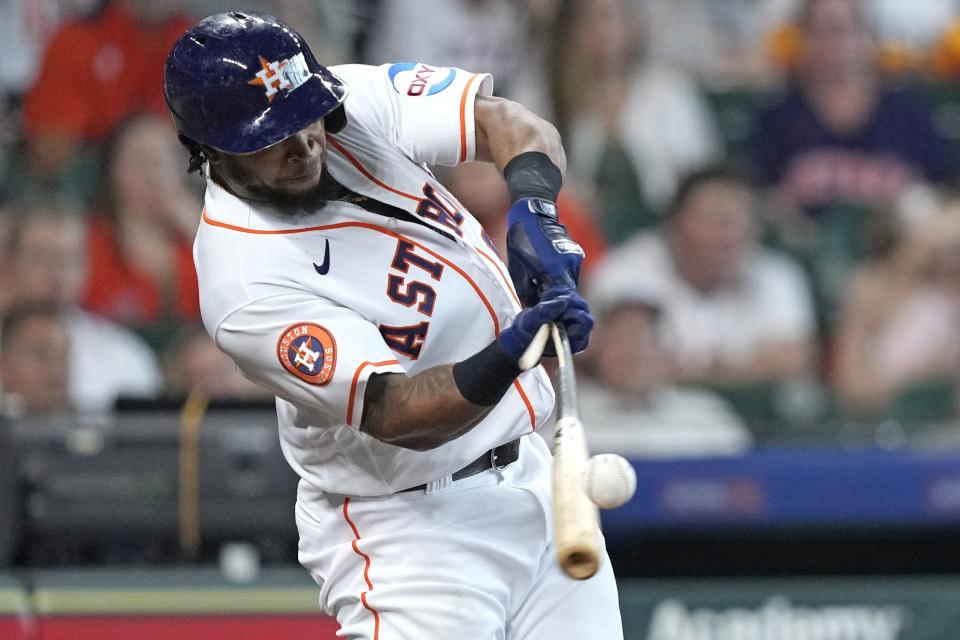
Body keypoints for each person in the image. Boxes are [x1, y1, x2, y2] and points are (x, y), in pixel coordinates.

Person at [164, 11, 620, 640]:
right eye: (271, 136)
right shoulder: (244, 278)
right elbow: (399, 414)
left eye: (305, 117)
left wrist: (534, 207)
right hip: (410, 532)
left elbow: (506, 122)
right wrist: (513, 352)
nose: (303, 145)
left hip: (534, 477)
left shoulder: (343, 101)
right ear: (209, 151)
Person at [588, 165, 816, 389]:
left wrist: (679, 369)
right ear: (675, 222)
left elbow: (792, 363)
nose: (729, 235)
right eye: (716, 220)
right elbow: (619, 367)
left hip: (745, 425)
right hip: (638, 420)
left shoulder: (778, 276)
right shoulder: (623, 272)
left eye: (740, 221)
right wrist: (742, 367)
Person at [749, 0, 959, 218]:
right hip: (803, 247)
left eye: (838, 29)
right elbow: (759, 201)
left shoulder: (909, 114)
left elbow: (943, 194)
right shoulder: (777, 117)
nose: (829, 43)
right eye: (815, 31)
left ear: (868, 35)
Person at [3, 205, 164, 412]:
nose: (58, 273)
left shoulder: (126, 356)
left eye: (70, 259)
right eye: (42, 257)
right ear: (9, 264)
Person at [80, 112, 203, 350]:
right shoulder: (89, 241)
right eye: (139, 159)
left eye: (165, 158)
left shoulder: (207, 233)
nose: (154, 172)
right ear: (113, 170)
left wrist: (203, 233)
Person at [577, 291, 751, 458]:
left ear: (667, 351)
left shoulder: (707, 416)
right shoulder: (570, 416)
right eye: (621, 341)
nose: (634, 353)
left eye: (644, 341)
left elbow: (742, 475)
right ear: (599, 351)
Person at [0, 303, 71, 415]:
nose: (55, 368)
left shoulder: (93, 425)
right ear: (3, 365)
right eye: (40, 354)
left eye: (62, 356)